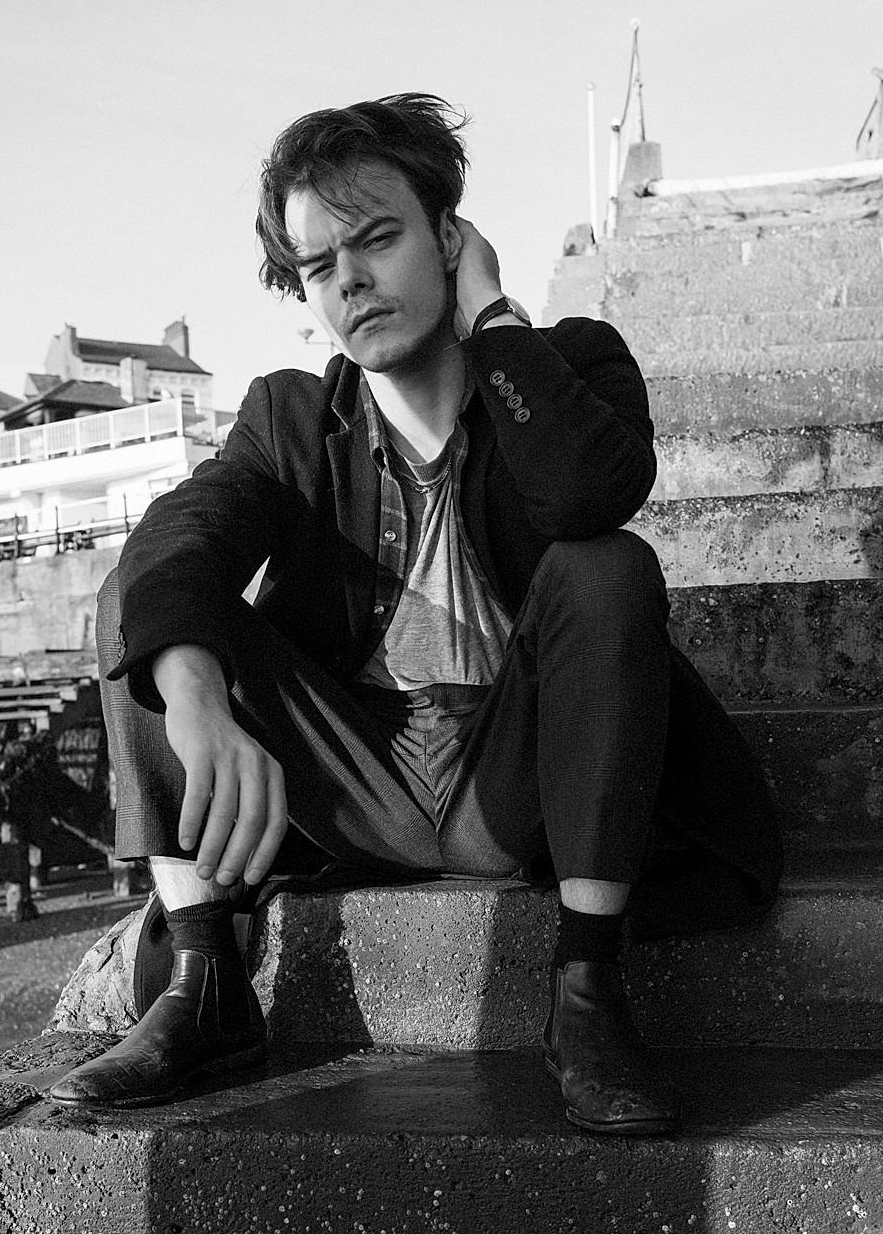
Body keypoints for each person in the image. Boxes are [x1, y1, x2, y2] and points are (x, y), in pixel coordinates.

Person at [50, 94, 782, 1130]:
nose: (348, 278)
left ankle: (586, 994)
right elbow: (181, 540)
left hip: (520, 773)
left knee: (605, 566)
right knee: (144, 591)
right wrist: (197, 697)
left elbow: (586, 496)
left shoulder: (568, 363)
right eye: (318, 265)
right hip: (359, 776)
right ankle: (205, 982)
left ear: (449, 236)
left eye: (377, 238)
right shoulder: (290, 418)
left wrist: (493, 320)